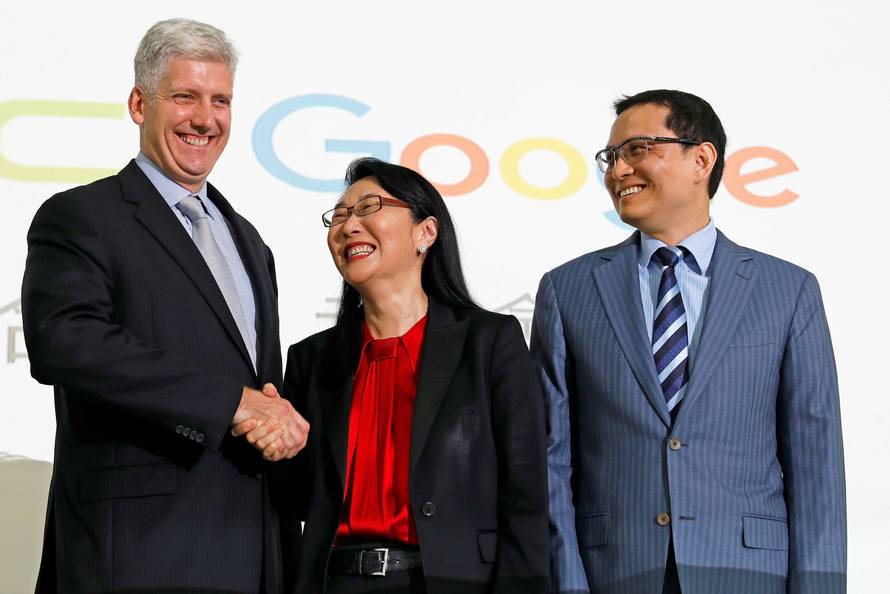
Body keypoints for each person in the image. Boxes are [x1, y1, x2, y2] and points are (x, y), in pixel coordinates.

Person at [21, 18, 308, 594]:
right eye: (185, 97)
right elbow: (64, 341)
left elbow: (256, 384)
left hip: (257, 550)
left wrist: (277, 421)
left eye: (221, 100)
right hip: (140, 549)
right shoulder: (82, 215)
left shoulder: (250, 240)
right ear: (138, 103)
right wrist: (233, 404)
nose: (205, 119)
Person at [532, 90, 846, 594]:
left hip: (748, 574)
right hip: (614, 571)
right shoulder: (568, 289)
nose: (617, 172)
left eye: (637, 150)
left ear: (701, 158)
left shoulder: (788, 290)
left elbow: (815, 463)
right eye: (611, 158)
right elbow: (551, 459)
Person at [254, 157, 549, 593]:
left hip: (451, 581)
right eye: (339, 216)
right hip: (334, 582)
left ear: (425, 232)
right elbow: (296, 501)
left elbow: (525, 498)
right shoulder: (311, 359)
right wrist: (274, 448)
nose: (348, 226)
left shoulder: (490, 342)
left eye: (368, 207)